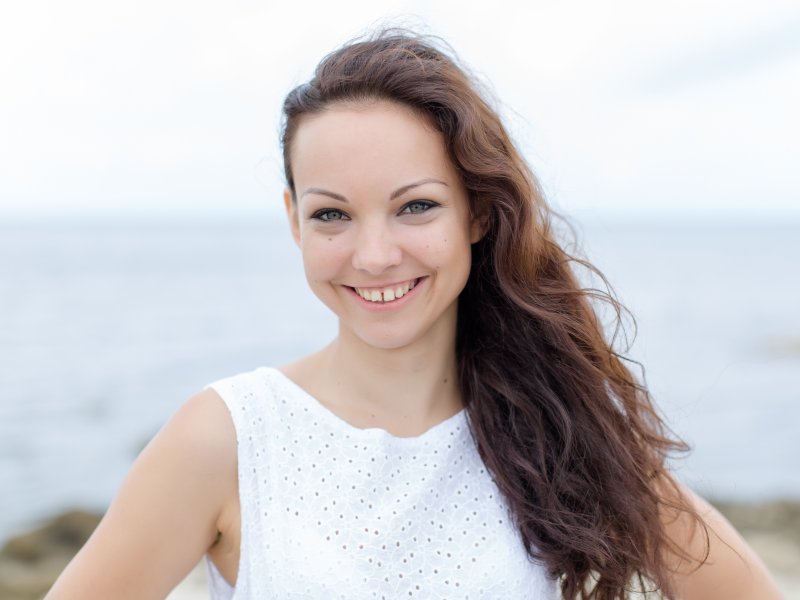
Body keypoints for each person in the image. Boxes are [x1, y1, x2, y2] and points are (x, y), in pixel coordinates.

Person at [46, 29, 782, 600]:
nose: (373, 255)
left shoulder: (556, 425)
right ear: (293, 222)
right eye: (332, 214)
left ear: (477, 213)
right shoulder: (228, 437)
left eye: (416, 207)